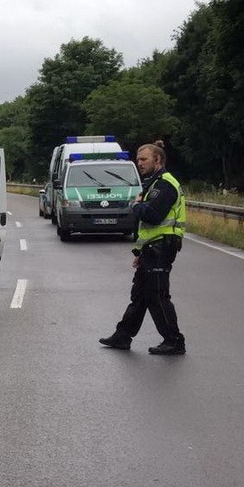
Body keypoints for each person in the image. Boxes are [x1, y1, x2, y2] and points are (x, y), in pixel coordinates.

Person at [99, 141, 187, 355]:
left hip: (162, 247)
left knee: (157, 295)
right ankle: (123, 335)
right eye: (138, 159)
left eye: (143, 159)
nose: (139, 163)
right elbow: (146, 227)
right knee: (139, 295)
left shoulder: (165, 184)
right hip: (151, 248)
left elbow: (153, 216)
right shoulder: (153, 183)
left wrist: (137, 205)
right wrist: (139, 252)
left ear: (157, 159)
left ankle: (174, 341)